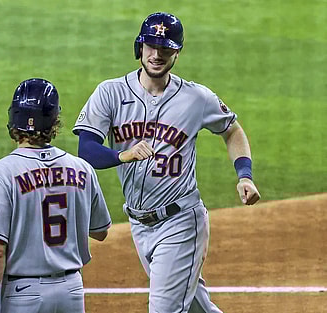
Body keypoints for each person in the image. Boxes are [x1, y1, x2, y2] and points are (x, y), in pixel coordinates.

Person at [73, 12, 261, 313]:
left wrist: (245, 175)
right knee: (198, 308)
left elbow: (232, 129)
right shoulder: (110, 93)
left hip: (181, 222)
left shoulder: (196, 98)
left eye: (165, 48)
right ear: (139, 47)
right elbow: (87, 149)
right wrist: (124, 155)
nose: (156, 55)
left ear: (177, 52)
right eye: (150, 46)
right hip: (139, 223)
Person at [0, 78, 111, 313]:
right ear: (55, 121)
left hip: (22, 296)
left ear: (13, 119)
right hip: (71, 293)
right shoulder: (82, 168)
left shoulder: (0, 172)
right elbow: (100, 231)